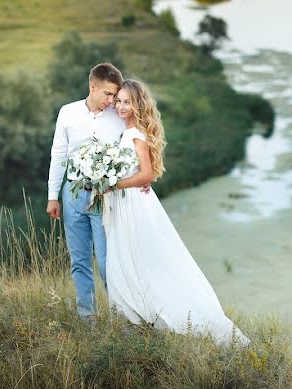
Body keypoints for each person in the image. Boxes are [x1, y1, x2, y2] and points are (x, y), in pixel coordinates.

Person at [103, 78, 248, 346]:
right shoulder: (125, 131)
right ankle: (135, 311)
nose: (121, 106)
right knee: (126, 253)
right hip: (124, 200)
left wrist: (113, 184)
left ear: (137, 105)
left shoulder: (135, 135)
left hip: (133, 202)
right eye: (119, 101)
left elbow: (146, 173)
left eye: (127, 102)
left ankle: (148, 311)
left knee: (141, 254)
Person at [47, 63, 125, 318]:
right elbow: (58, 154)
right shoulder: (67, 113)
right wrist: (52, 196)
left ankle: (119, 317)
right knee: (79, 261)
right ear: (93, 86)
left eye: (115, 95)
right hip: (72, 194)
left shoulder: (119, 116)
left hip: (105, 197)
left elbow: (131, 153)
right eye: (108, 94)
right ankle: (87, 319)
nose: (112, 100)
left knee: (106, 262)